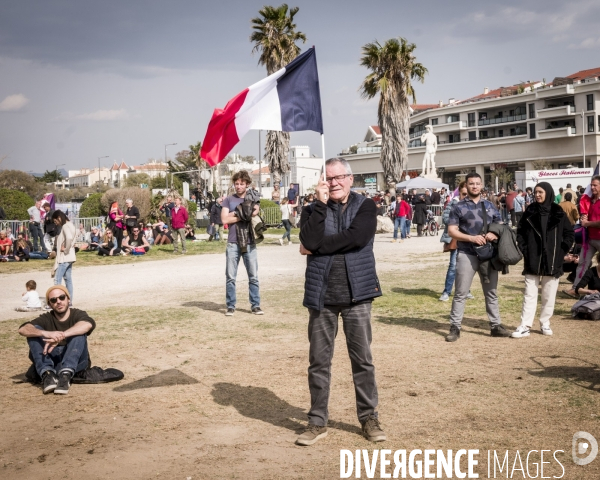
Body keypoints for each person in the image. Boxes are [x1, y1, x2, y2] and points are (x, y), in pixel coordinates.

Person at [297, 157, 385, 446]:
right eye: (328, 178)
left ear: (350, 179)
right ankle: (316, 421)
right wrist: (320, 206)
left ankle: (368, 417)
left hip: (357, 294)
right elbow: (307, 238)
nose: (333, 183)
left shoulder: (366, 206)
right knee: (318, 362)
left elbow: (358, 238)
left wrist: (317, 247)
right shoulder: (312, 209)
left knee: (362, 360)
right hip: (321, 296)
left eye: (338, 178)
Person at [445, 172, 511, 342]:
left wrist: (493, 234)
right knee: (460, 292)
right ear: (466, 186)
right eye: (471, 183)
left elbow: (500, 226)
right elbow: (452, 230)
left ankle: (495, 326)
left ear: (481, 186)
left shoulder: (489, 205)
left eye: (477, 183)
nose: (474, 186)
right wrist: (471, 238)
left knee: (491, 292)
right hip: (467, 253)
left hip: (488, 255)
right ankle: (455, 327)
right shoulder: (458, 207)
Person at [512, 182, 574, 338]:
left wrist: (561, 252)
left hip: (553, 259)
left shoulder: (558, 212)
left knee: (549, 294)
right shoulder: (530, 211)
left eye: (540, 192)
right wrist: (526, 250)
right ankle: (525, 325)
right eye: (535, 192)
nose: (537, 195)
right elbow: (520, 233)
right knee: (529, 294)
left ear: (548, 192)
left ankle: (545, 323)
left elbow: (569, 234)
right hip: (533, 258)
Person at [18, 286, 95, 395]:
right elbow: (23, 329)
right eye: (53, 300)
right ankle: (47, 374)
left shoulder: (78, 314)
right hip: (53, 363)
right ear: (49, 304)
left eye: (62, 297)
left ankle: (66, 375)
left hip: (77, 363)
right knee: (34, 331)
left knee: (78, 331)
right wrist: (46, 333)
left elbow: (87, 324)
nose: (58, 302)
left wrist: (62, 335)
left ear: (68, 299)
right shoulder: (46, 318)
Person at [221, 170, 262, 316]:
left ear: (247, 184)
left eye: (241, 184)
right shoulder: (228, 200)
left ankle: (255, 305)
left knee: (253, 276)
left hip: (250, 242)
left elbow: (254, 212)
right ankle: (231, 305)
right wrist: (242, 213)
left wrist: (234, 213)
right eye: (236, 184)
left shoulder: (253, 197)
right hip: (233, 242)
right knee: (231, 277)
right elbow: (224, 220)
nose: (238, 186)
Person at [439, 183, 475, 302]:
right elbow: (445, 218)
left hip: (468, 239)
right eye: (464, 194)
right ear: (459, 193)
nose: (465, 197)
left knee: (467, 267)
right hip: (456, 239)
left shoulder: (472, 204)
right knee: (453, 266)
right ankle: (447, 291)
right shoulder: (453, 203)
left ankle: (466, 290)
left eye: (467, 194)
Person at [51, 210, 76, 303]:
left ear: (59, 218)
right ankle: (69, 301)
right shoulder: (71, 225)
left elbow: (69, 238)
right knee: (68, 280)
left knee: (57, 279)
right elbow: (73, 238)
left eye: (55, 221)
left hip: (64, 257)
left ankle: (55, 301)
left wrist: (65, 249)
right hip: (70, 256)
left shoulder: (65, 226)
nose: (56, 224)